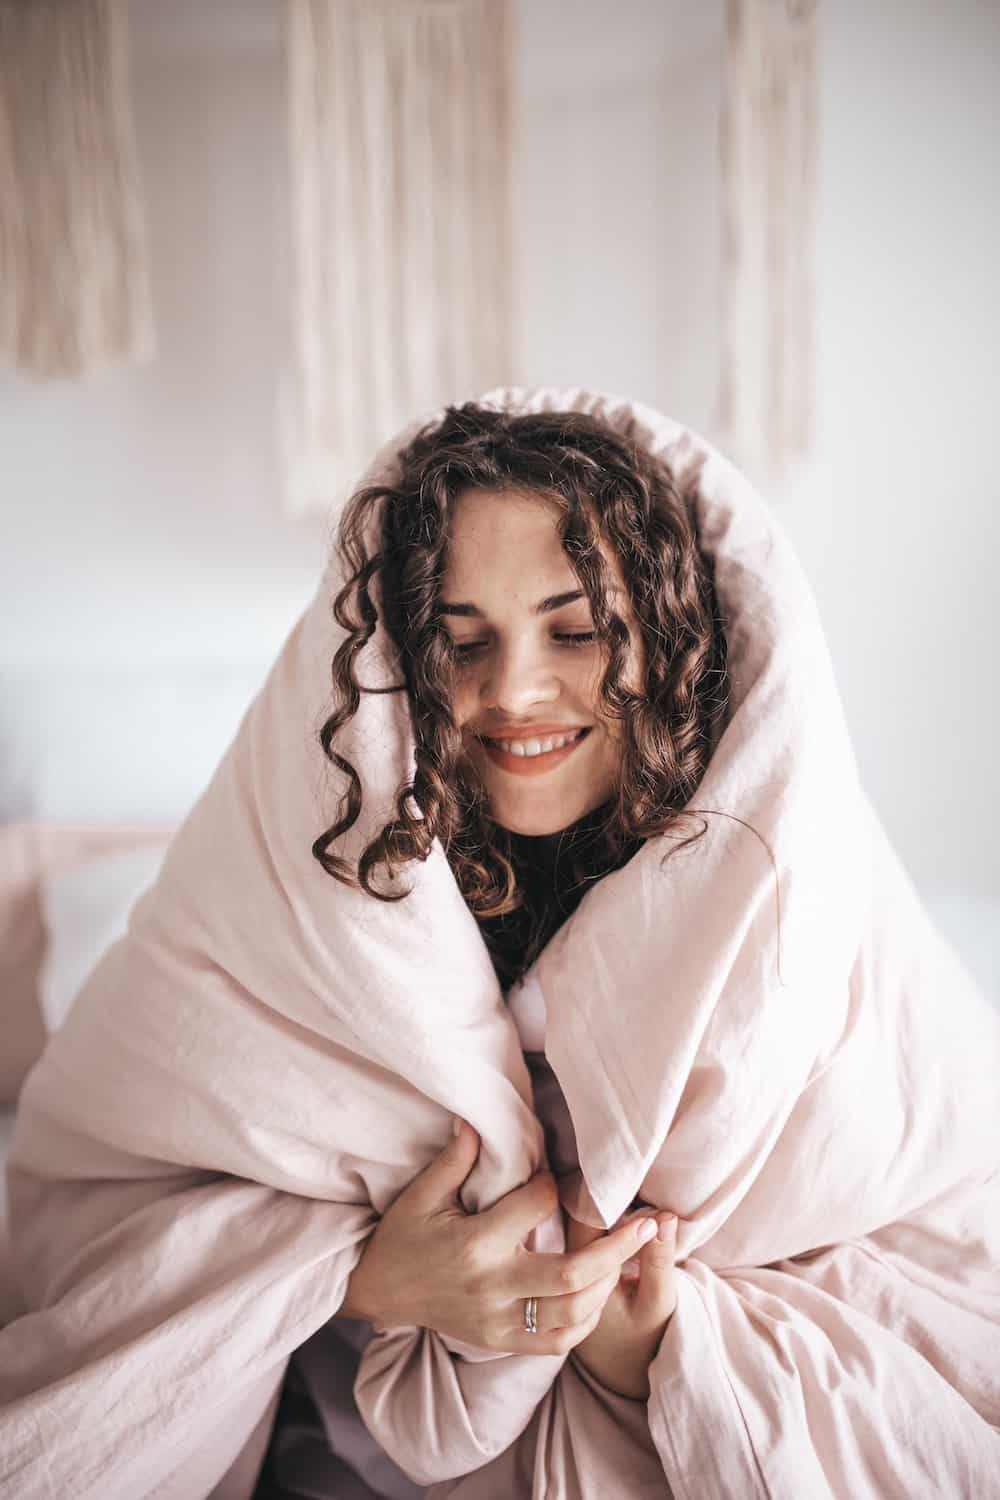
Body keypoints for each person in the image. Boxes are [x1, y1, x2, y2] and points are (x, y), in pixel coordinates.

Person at [5, 390, 997, 1500]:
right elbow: (93, 1206)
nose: (512, 692)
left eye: (575, 632)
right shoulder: (289, 874)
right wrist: (363, 1287)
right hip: (334, 1438)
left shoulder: (801, 887)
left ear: (670, 635)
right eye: (460, 642)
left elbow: (939, 1257)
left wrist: (670, 1348)